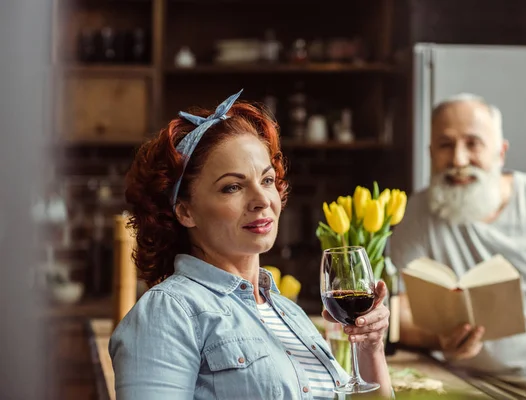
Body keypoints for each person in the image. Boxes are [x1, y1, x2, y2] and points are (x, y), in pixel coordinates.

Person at [109, 90, 393, 400]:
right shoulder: (169, 311)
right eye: (232, 187)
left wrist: (369, 346)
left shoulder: (290, 315)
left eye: (267, 180)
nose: (261, 200)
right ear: (185, 211)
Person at [390, 93, 526, 399]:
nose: (459, 160)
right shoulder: (418, 213)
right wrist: (439, 339)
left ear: (500, 153)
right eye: (446, 145)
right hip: (479, 382)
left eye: (473, 143)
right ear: (431, 153)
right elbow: (396, 307)